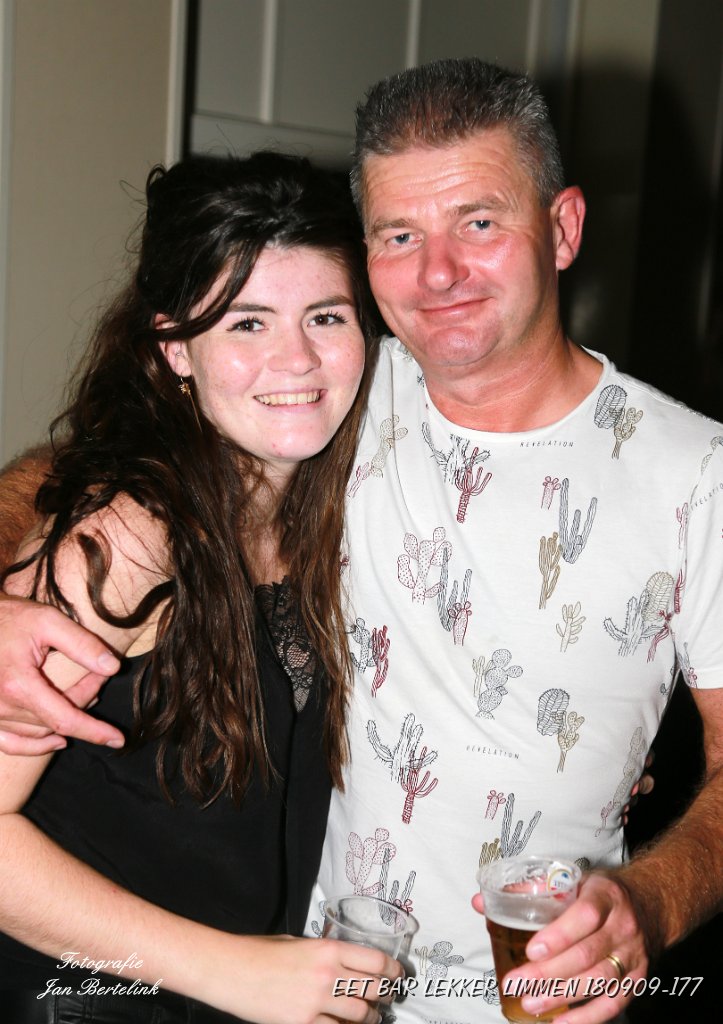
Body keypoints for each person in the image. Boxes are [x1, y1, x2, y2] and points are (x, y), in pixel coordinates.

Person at [0, 58, 721, 1024]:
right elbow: (92, 472)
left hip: (533, 993)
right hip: (290, 981)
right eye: (398, 234)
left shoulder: (694, 475)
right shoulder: (336, 394)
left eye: (478, 222)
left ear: (562, 228)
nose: (438, 272)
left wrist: (653, 900)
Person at [0, 151, 404, 1023]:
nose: (296, 359)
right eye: (246, 322)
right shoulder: (127, 539)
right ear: (175, 347)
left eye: (326, 316)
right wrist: (231, 971)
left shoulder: (335, 501)